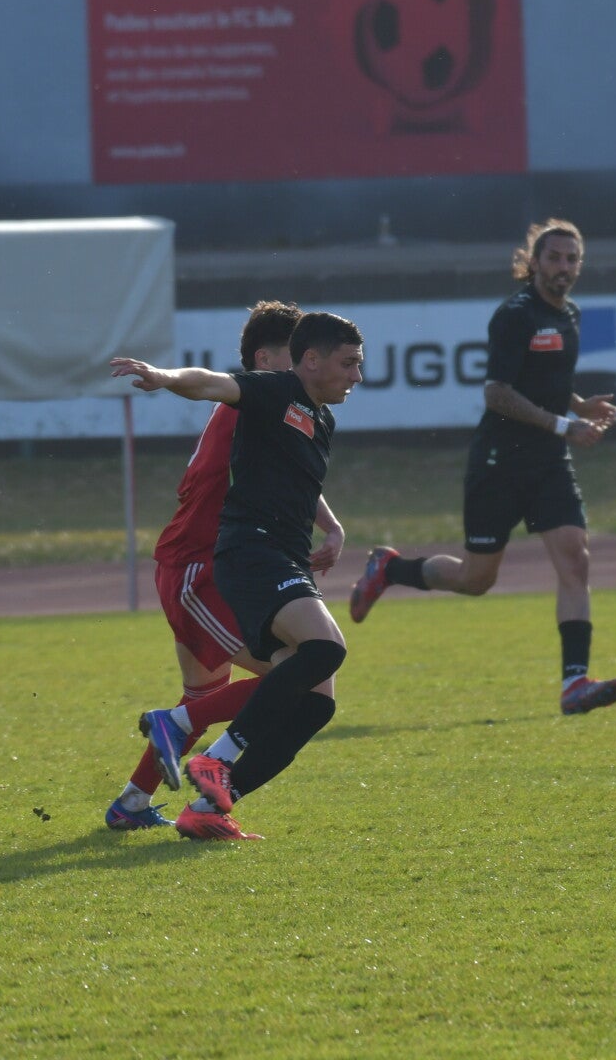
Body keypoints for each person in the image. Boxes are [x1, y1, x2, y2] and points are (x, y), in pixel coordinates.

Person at [346, 220, 616, 716]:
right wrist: (565, 425)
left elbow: (545, 380)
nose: (563, 267)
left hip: (549, 462)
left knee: (575, 558)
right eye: (554, 257)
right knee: (476, 579)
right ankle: (390, 569)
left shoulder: (570, 315)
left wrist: (579, 405)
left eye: (572, 259)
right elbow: (498, 392)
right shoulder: (515, 316)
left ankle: (575, 683)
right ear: (534, 262)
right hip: (499, 463)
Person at [108, 311, 365, 841]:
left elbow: (293, 470)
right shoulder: (254, 400)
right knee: (304, 675)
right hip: (202, 565)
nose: (355, 375)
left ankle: (140, 802)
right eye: (346, 363)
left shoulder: (306, 414)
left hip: (233, 563)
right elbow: (208, 383)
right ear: (270, 361)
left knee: (231, 692)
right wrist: (163, 377)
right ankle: (204, 762)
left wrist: (332, 526)